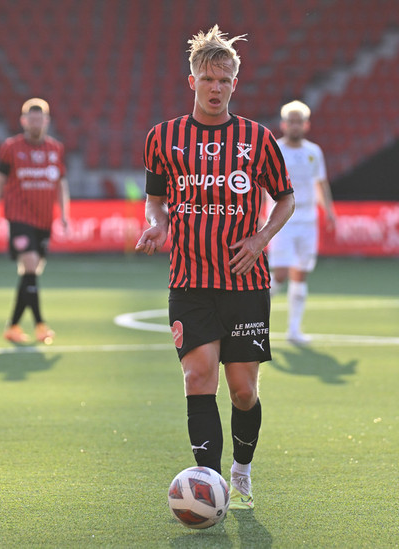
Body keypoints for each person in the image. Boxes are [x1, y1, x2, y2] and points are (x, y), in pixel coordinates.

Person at [135, 25, 295, 510]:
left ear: (234, 83)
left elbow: (286, 198)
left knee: (243, 390)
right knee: (197, 378)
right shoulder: (163, 138)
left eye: (224, 80)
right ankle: (208, 486)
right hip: (189, 280)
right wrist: (157, 224)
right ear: (192, 81)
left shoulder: (257, 139)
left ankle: (241, 471)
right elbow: (155, 200)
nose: (216, 87)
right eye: (208, 79)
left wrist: (262, 237)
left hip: (245, 281)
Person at [0, 98, 70, 344]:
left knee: (30, 273)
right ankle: (40, 325)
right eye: (31, 119)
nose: (35, 123)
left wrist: (64, 214)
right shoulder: (11, 148)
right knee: (31, 265)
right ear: (23, 121)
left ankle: (12, 326)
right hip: (19, 217)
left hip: (44, 220)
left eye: (40, 119)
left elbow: (61, 183)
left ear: (46, 121)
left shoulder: (55, 149)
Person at [268, 100, 337, 345]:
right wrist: (259, 218)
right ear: (284, 124)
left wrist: (328, 210)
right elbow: (262, 186)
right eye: (291, 121)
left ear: (306, 125)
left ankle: (294, 330)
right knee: (281, 274)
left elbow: (320, 182)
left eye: (300, 122)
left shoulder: (313, 152)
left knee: (301, 274)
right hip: (281, 218)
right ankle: (256, 323)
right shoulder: (274, 149)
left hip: (308, 219)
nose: (295, 126)